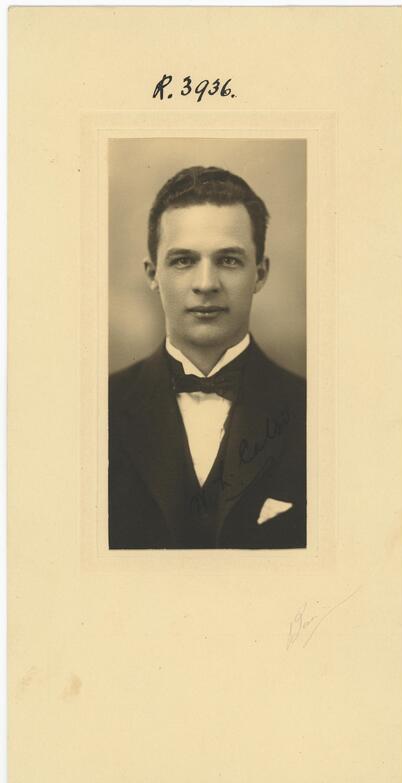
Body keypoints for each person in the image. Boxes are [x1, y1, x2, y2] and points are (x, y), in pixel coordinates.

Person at [109, 165, 306, 549]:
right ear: (152, 274)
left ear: (260, 274)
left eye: (228, 260)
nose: (205, 284)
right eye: (183, 260)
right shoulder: (96, 408)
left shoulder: (316, 409)